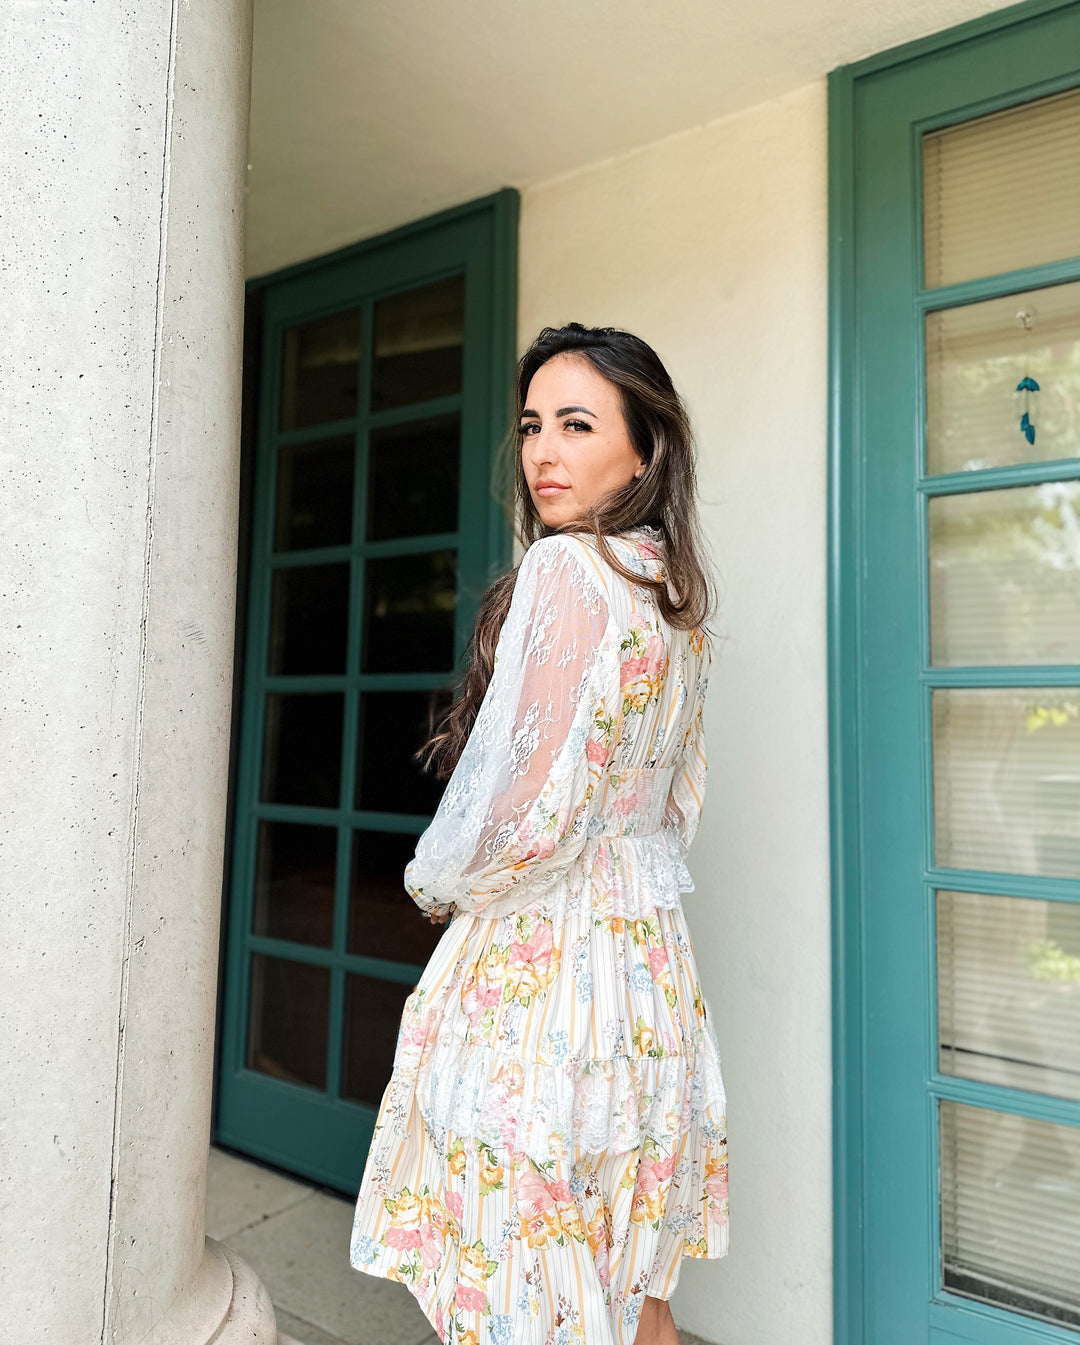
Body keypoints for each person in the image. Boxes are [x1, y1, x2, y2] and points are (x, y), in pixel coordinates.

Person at [350, 322, 728, 1345]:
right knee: (631, 1281)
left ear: (645, 448)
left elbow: (520, 806)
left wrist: (438, 881)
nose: (544, 452)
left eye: (576, 424)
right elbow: (677, 799)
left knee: (518, 1270)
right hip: (647, 976)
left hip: (545, 967)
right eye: (532, 426)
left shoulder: (572, 572)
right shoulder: (676, 596)